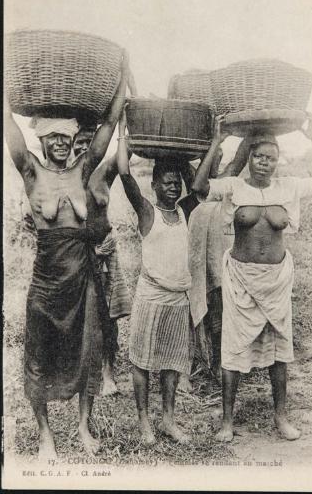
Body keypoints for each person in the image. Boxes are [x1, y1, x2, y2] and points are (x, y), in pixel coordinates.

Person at [4, 52, 128, 458]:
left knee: (87, 352)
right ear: (42, 140)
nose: (59, 143)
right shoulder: (31, 172)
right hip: (45, 281)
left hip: (83, 279)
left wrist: (121, 78)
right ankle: (45, 436)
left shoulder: (83, 168)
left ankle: (82, 427)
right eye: (52, 137)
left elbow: (108, 126)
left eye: (65, 137)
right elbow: (9, 131)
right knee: (38, 355)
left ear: (72, 139)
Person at [192, 114, 312, 442]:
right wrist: (216, 141)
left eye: (271, 158)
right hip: (240, 280)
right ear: (248, 158)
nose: (264, 163)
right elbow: (198, 188)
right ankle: (226, 421)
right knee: (233, 348)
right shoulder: (234, 187)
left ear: (279, 161)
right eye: (258, 156)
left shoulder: (288, 187)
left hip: (276, 279)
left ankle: (281, 416)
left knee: (280, 349)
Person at [117, 111, 204, 446]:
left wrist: (182, 158)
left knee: (171, 361)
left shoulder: (184, 210)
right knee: (142, 360)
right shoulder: (146, 212)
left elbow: (198, 185)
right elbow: (124, 172)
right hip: (150, 297)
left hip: (177, 298)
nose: (172, 185)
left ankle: (167, 419)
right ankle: (144, 423)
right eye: (165, 181)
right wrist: (123, 133)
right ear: (153, 185)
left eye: (175, 181)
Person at [178, 134, 252, 392]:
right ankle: (184, 370)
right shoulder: (189, 195)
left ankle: (220, 365)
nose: (215, 161)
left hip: (219, 266)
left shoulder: (225, 187)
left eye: (219, 157)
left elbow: (241, 158)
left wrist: (248, 130)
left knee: (219, 317)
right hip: (192, 266)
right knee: (188, 315)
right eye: (209, 157)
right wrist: (213, 142)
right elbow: (195, 177)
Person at [73, 126, 132, 395]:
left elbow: (127, 149)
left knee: (108, 317)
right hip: (78, 255)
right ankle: (81, 370)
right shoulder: (63, 177)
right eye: (78, 143)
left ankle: (109, 372)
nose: (82, 148)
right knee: (81, 313)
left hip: (106, 252)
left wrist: (123, 120)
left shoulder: (104, 173)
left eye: (88, 142)